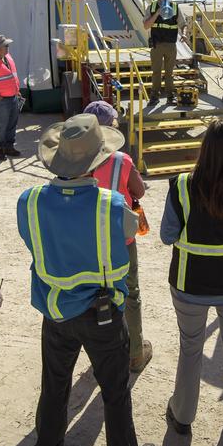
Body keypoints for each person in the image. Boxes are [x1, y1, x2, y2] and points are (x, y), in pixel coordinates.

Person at [17, 114, 157, 446]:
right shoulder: (110, 204)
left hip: (55, 309)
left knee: (54, 385)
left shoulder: (29, 201)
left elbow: (34, 243)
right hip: (102, 313)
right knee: (114, 391)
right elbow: (124, 255)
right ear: (98, 158)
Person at [160, 119, 223, 434]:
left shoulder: (181, 185)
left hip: (188, 283)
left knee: (190, 350)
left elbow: (167, 236)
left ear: (204, 150)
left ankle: (182, 417)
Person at [84, 100, 152, 372]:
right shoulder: (121, 160)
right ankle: (135, 352)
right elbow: (139, 191)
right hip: (120, 239)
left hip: (88, 238)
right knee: (129, 292)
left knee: (96, 292)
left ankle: (102, 352)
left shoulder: (76, 157)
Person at [143, 0, 187, 103]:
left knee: (169, 73)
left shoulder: (174, 7)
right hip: (157, 45)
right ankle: (154, 96)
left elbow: (183, 24)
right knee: (156, 72)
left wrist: (184, 34)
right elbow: (146, 26)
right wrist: (157, 13)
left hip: (171, 45)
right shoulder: (151, 7)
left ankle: (170, 96)